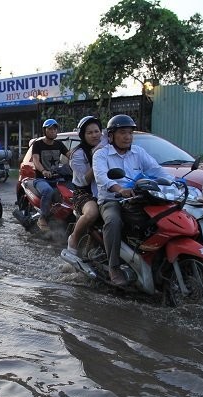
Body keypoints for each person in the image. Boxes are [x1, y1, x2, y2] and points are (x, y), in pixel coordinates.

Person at [93, 114, 172, 285]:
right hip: (111, 200)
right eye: (122, 132)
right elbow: (102, 178)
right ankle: (113, 266)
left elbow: (156, 169)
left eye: (130, 133)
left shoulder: (138, 152)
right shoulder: (101, 154)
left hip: (138, 198)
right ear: (111, 136)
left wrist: (173, 183)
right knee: (113, 221)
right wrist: (120, 189)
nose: (127, 137)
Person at [64, 116, 106, 255]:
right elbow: (84, 181)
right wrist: (97, 163)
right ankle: (74, 239)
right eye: (89, 133)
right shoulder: (78, 154)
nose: (94, 135)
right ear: (83, 135)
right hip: (84, 193)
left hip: (106, 189)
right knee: (92, 213)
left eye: (96, 131)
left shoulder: (108, 145)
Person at [31, 119, 69, 231]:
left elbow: (70, 155)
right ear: (45, 130)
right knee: (48, 191)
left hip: (57, 178)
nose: (53, 131)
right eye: (50, 129)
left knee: (71, 191)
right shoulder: (38, 144)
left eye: (55, 129)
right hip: (41, 179)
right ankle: (42, 217)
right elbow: (36, 161)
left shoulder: (59, 144)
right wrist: (43, 171)